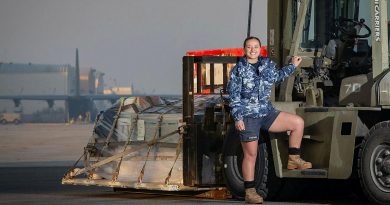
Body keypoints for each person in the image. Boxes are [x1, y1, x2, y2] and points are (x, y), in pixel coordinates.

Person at [227, 36, 312, 204]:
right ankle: (250, 192)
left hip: (266, 113)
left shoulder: (267, 65)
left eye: (256, 46)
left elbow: (277, 77)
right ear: (244, 50)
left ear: (260, 49)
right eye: (249, 47)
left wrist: (292, 66)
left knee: (297, 123)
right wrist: (238, 118)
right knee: (251, 155)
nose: (253, 50)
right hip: (248, 116)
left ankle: (294, 159)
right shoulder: (238, 70)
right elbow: (234, 97)